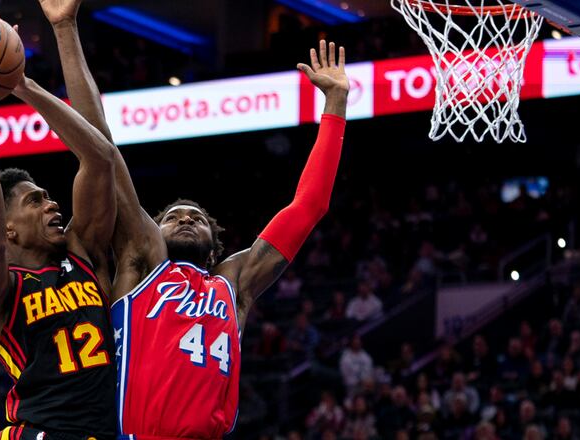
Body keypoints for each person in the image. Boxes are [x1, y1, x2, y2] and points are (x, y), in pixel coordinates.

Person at [38, 1, 348, 436]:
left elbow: (308, 206)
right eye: (173, 217)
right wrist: (65, 27)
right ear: (154, 230)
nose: (185, 219)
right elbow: (98, 142)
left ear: (215, 248)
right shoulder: (142, 259)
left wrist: (335, 103)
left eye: (197, 218)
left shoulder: (234, 283)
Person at [0, 33, 118, 438]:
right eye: (35, 201)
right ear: (9, 226)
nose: (52, 204)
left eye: (48, 197)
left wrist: (23, 85)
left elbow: (101, 159)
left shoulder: (81, 250)